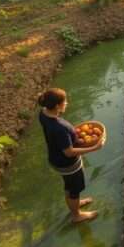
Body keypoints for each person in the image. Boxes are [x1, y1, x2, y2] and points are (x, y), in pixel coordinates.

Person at [37, 88, 105, 223]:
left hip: (55, 158)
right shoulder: (59, 128)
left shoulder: (43, 113)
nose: (67, 103)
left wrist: (72, 135)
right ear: (57, 106)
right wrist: (94, 147)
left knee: (69, 186)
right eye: (65, 101)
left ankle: (76, 203)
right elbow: (68, 152)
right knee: (74, 189)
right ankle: (76, 215)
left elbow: (61, 139)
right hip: (68, 164)